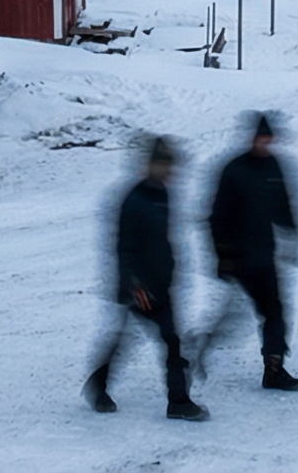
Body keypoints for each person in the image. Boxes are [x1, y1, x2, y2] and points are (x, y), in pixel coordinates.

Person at [85, 136, 209, 421]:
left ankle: (98, 385)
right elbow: (123, 246)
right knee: (169, 341)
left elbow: (164, 241)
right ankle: (177, 400)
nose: (168, 172)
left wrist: (173, 270)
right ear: (150, 165)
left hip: (161, 285)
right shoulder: (133, 200)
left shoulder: (163, 195)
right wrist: (134, 284)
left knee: (141, 340)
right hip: (139, 287)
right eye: (163, 165)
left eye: (170, 166)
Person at [200, 112, 298, 391]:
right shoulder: (233, 170)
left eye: (268, 139)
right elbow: (216, 217)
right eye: (261, 139)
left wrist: (297, 235)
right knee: (241, 315)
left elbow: (285, 205)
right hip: (239, 256)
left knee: (274, 311)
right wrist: (222, 255)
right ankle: (198, 348)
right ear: (252, 139)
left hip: (265, 253)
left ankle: (274, 369)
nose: (265, 144)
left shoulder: (274, 167)